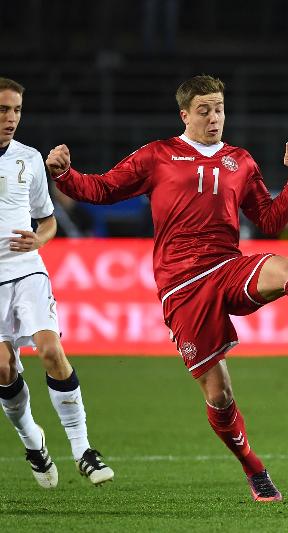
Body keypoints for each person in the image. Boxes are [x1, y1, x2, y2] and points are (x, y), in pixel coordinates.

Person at [46, 75, 288, 503]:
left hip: (227, 267)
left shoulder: (240, 161)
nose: (213, 118)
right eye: (203, 110)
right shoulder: (158, 155)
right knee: (219, 395)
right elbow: (104, 189)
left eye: (219, 109)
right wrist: (66, 175)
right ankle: (254, 468)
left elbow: (270, 221)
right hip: (182, 286)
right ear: (184, 115)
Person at [0, 77, 114, 488]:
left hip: (26, 269)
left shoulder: (28, 159)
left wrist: (38, 239)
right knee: (3, 369)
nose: (11, 118)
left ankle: (83, 450)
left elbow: (47, 221)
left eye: (16, 110)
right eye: (3, 110)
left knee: (50, 350)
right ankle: (34, 442)